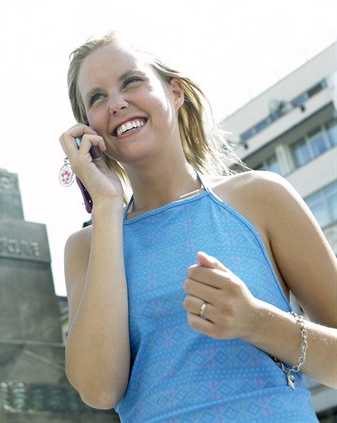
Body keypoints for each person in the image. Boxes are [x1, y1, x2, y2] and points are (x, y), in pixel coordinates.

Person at [59, 31, 336, 422]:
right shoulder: (87, 247)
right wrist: (106, 206)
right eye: (97, 98)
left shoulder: (262, 197)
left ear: (175, 92)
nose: (117, 103)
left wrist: (255, 320)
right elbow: (99, 389)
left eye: (131, 81)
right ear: (88, 130)